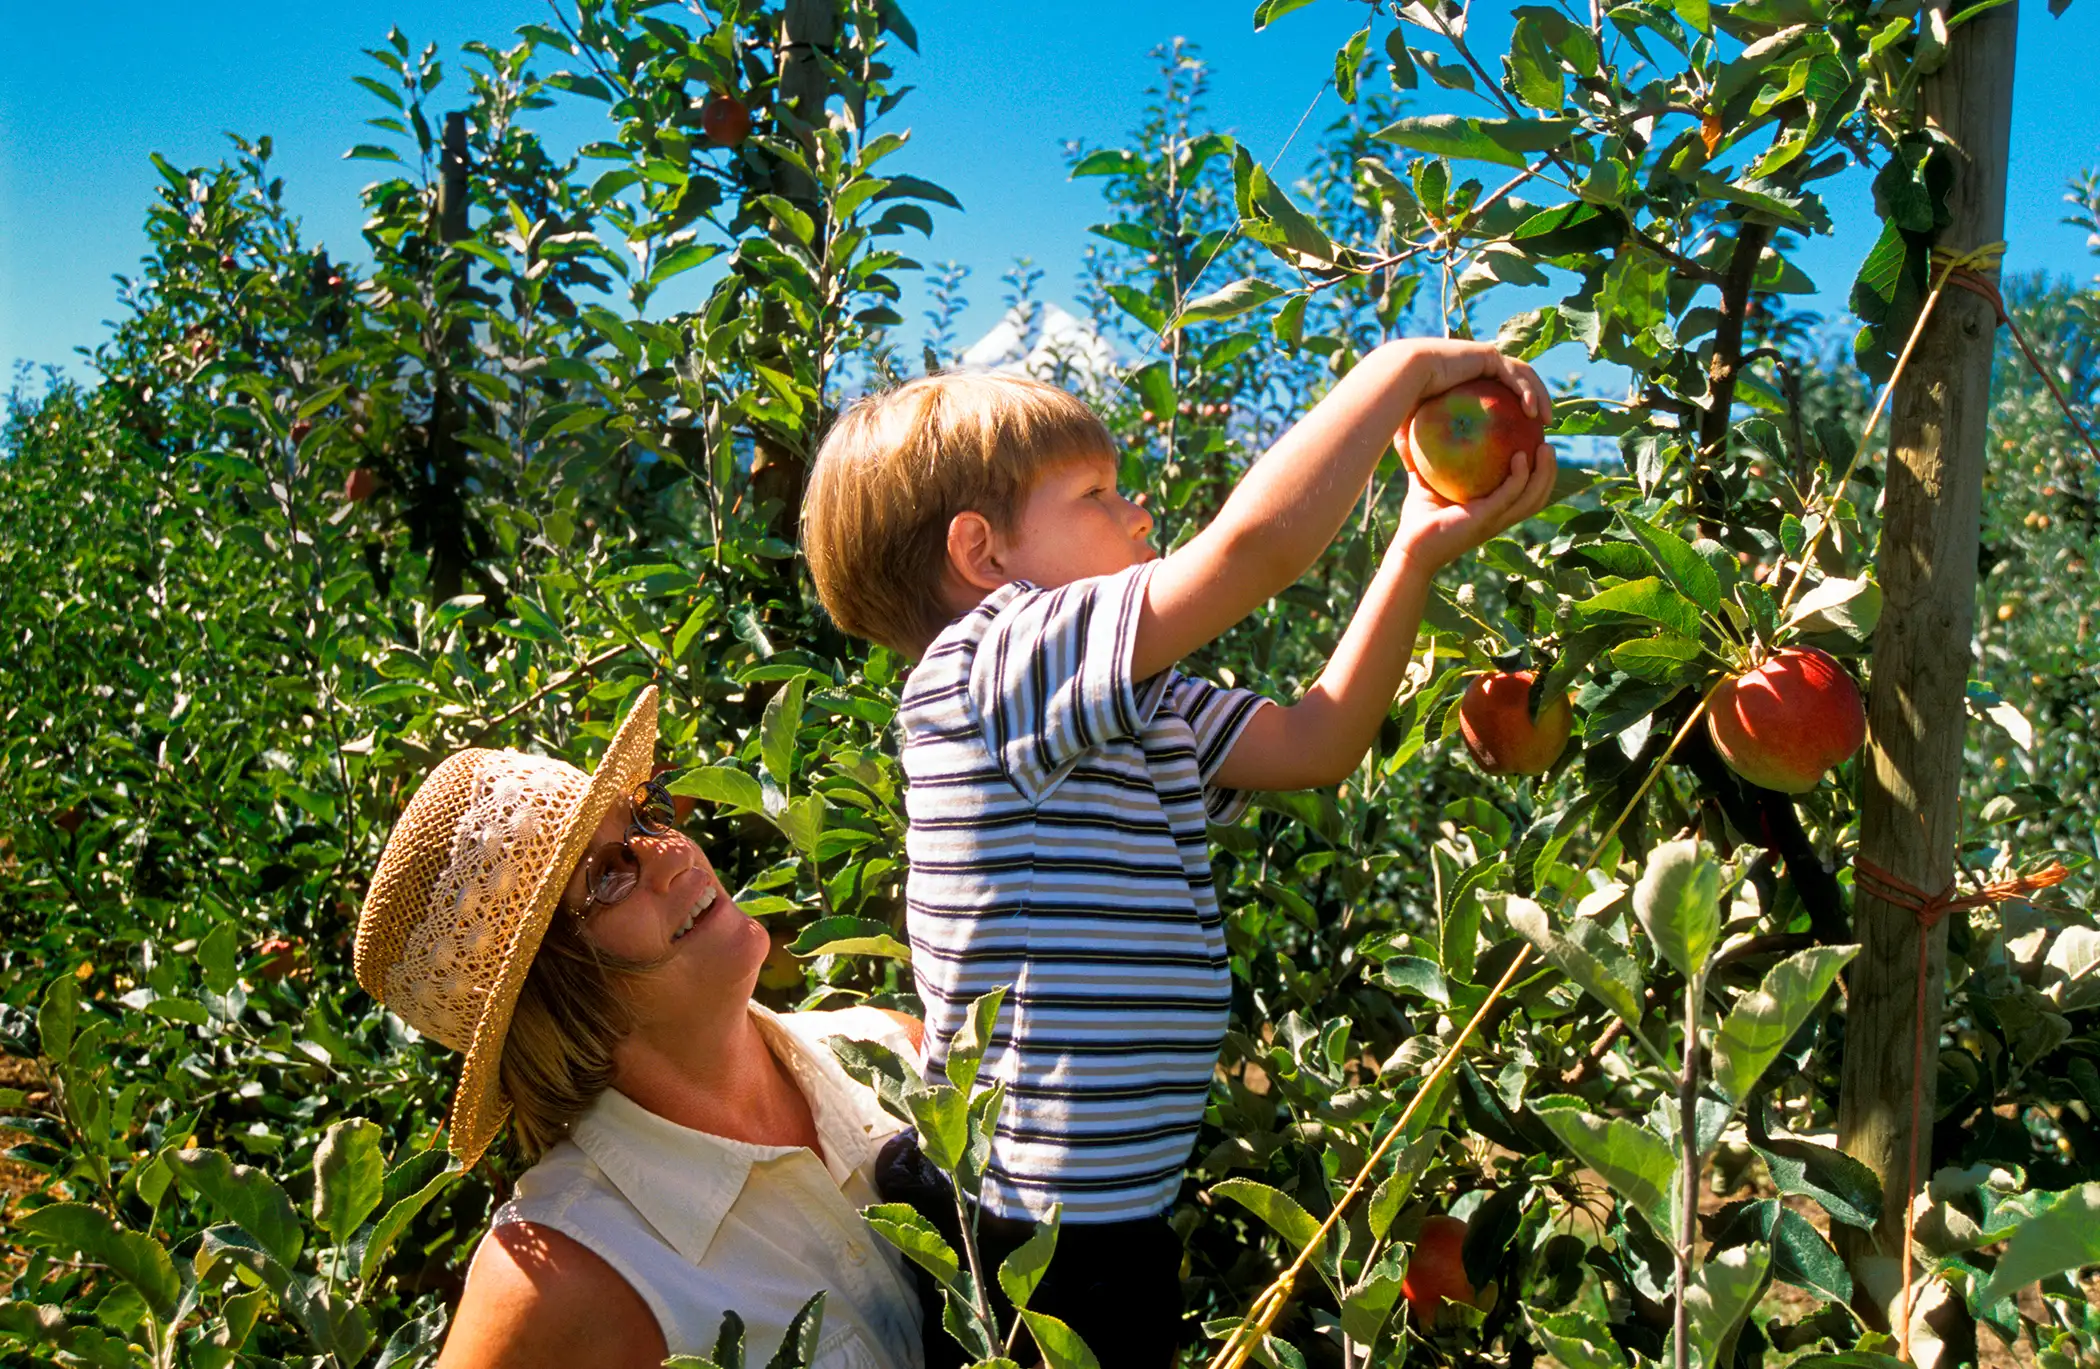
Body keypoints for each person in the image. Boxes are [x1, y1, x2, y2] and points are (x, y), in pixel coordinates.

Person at [799, 347, 1557, 1362]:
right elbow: (1251, 550)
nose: (1140, 511)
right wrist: (1401, 369)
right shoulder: (993, 661)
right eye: (1097, 494)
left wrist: (1414, 551)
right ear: (984, 556)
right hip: (1033, 1230)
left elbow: (1316, 742)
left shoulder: (1126, 707)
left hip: (1110, 1206)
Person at [355, 685, 926, 1369]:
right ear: (558, 993)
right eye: (608, 874)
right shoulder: (567, 1273)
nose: (668, 850)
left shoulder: (889, 1054)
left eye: (643, 817)